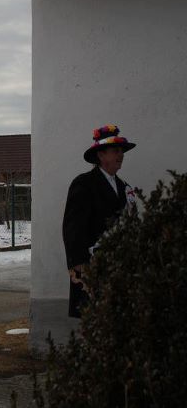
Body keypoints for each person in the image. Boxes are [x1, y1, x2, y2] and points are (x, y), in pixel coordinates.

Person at [63, 124, 136, 318]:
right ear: (101, 155)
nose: (120, 155)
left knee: (116, 317)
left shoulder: (124, 187)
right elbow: (73, 226)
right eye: (115, 151)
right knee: (94, 319)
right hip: (92, 265)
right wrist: (78, 262)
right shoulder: (84, 183)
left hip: (119, 266)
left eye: (121, 151)